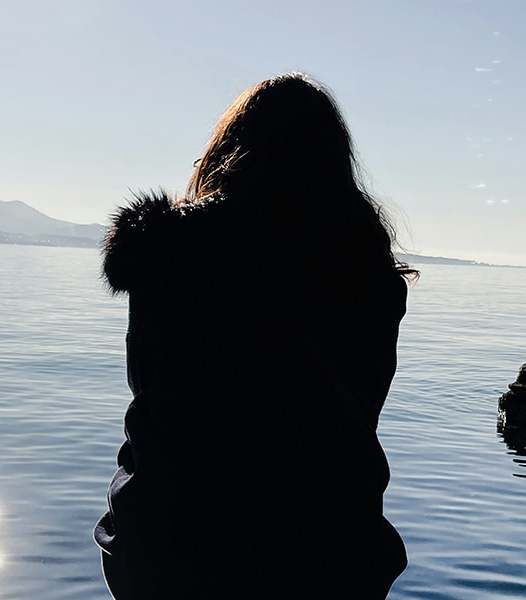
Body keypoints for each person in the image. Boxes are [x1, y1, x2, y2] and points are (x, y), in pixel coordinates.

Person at [93, 72, 415, 599]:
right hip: (328, 549)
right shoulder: (367, 274)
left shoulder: (167, 252)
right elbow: (363, 400)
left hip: (171, 543)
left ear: (226, 149)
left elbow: (147, 385)